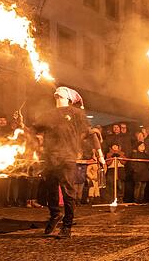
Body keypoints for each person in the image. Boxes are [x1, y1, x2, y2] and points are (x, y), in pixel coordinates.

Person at [26, 87, 103, 239]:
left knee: (68, 192)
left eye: (62, 91)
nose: (58, 91)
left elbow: (90, 132)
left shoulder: (76, 113)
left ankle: (67, 227)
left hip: (67, 156)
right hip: (51, 157)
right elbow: (33, 129)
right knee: (50, 189)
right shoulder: (48, 114)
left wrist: (99, 153)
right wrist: (21, 124)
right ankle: (55, 214)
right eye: (57, 91)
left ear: (68, 97)